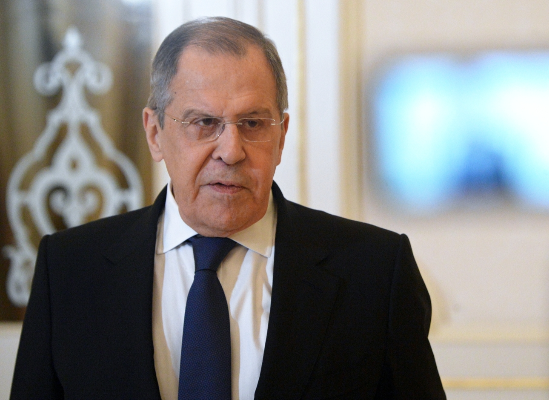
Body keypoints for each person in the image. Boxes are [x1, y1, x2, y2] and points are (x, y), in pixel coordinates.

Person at [11, 17, 446, 399]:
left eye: (253, 123)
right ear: (155, 133)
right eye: (204, 123)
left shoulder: (374, 271)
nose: (231, 150)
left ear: (281, 135)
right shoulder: (69, 269)